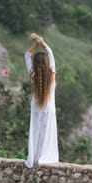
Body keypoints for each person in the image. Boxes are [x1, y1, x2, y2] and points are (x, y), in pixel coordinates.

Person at [24, 33, 59, 168]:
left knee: (36, 131)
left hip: (36, 107)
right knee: (47, 132)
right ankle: (45, 156)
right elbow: (50, 53)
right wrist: (42, 42)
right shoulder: (52, 73)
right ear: (47, 62)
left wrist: (36, 44)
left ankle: (35, 156)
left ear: (34, 63)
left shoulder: (32, 73)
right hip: (49, 107)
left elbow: (27, 55)